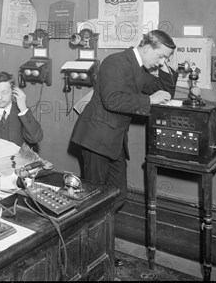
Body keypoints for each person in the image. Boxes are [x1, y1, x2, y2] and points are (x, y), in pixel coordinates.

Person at [70, 30, 178, 210]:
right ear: (146, 48)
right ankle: (93, 237)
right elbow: (112, 100)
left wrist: (165, 66)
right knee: (94, 199)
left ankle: (103, 233)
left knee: (118, 194)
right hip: (96, 139)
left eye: (164, 59)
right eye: (160, 56)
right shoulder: (116, 62)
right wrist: (149, 100)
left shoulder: (138, 68)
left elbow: (165, 93)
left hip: (114, 139)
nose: (160, 62)